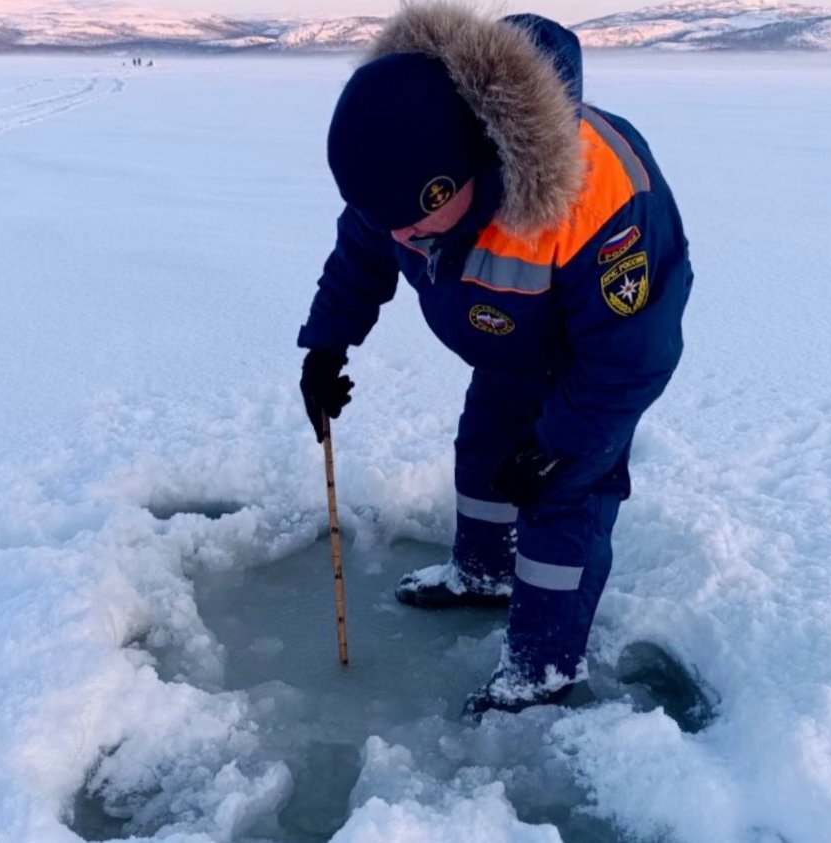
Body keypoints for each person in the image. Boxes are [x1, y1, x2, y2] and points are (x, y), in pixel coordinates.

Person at [297, 2, 693, 718]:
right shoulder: (402, 174)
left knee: (563, 493)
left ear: (467, 171)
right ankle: (483, 571)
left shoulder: (596, 201)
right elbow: (363, 251)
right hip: (515, 344)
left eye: (415, 223)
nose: (403, 236)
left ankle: (542, 672)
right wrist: (326, 344)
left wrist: (557, 447)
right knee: (486, 446)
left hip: (596, 359)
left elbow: (632, 359)